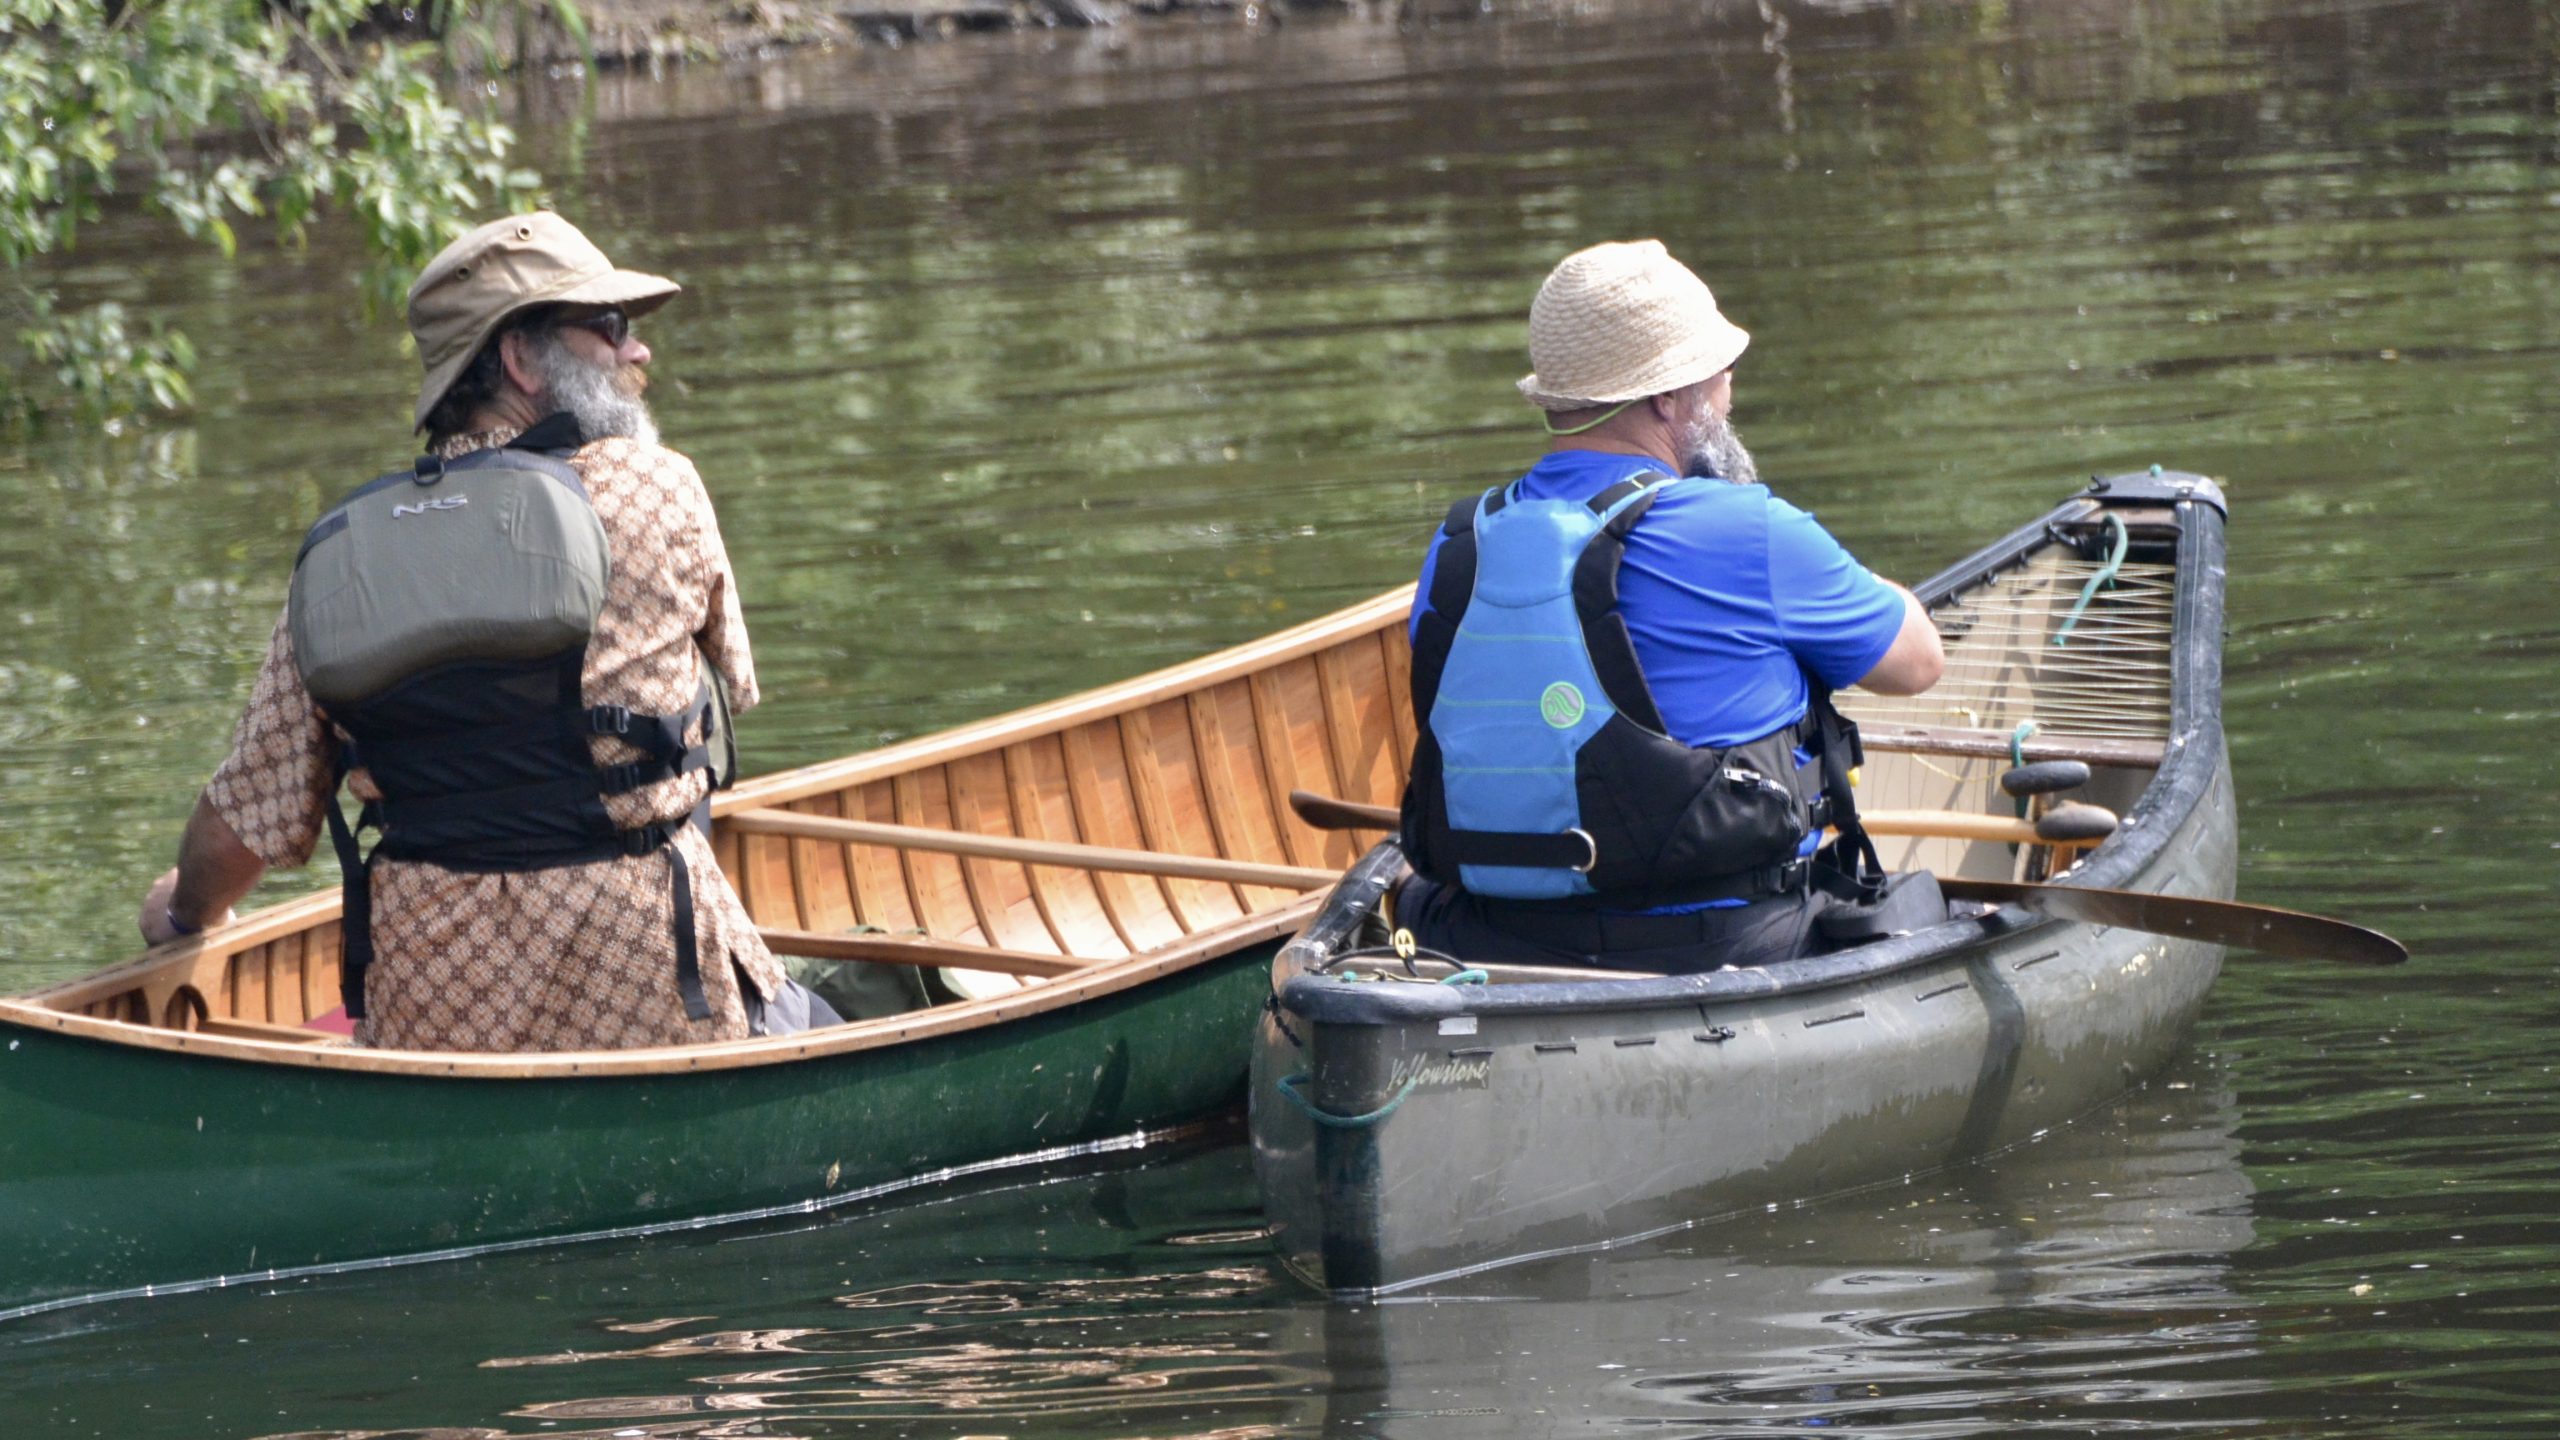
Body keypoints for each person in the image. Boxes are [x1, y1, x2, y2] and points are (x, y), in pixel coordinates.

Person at [138, 211, 838, 1048]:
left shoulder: (348, 552)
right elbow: (733, 691)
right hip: (653, 999)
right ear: (518, 357)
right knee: (843, 1017)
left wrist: (183, 912)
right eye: (609, 327)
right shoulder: (660, 490)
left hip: (434, 1019)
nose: (637, 352)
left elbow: (250, 810)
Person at [1395, 239, 1946, 974]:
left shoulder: (1457, 545)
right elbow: (1918, 665)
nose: (1729, 396)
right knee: (1918, 903)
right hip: (1720, 946)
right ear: (1666, 395)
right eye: (1719, 377)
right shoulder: (1750, 529)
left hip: (1490, 945)